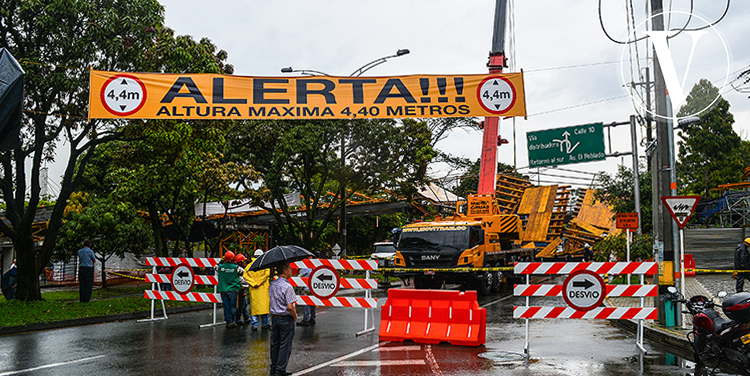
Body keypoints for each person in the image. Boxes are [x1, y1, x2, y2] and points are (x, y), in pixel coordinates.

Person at [269, 262, 297, 376]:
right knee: (285, 345)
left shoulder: (272, 284)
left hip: (275, 317)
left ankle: (274, 367)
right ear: (285, 271)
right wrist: (295, 316)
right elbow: (290, 306)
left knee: (275, 344)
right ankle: (280, 369)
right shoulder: (288, 287)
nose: (291, 271)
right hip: (286, 318)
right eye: (290, 269)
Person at [215, 251, 244, 328]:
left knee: (226, 306)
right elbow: (242, 272)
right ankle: (234, 320)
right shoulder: (236, 268)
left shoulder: (220, 267)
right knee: (233, 306)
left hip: (223, 289)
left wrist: (221, 261)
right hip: (233, 289)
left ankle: (229, 321)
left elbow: (215, 267)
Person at [245, 249, 271, 330]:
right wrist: (259, 282)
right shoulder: (265, 265)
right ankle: (265, 324)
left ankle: (255, 325)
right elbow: (267, 274)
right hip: (263, 290)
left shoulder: (249, 266)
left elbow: (245, 276)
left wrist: (253, 283)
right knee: (264, 308)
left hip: (254, 290)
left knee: (255, 309)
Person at [233, 253, 250, 325]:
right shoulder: (239, 270)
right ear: (240, 262)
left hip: (240, 289)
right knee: (241, 304)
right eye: (243, 261)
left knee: (243, 304)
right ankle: (239, 319)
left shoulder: (237, 269)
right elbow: (242, 280)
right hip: (240, 290)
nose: (245, 263)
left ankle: (246, 318)